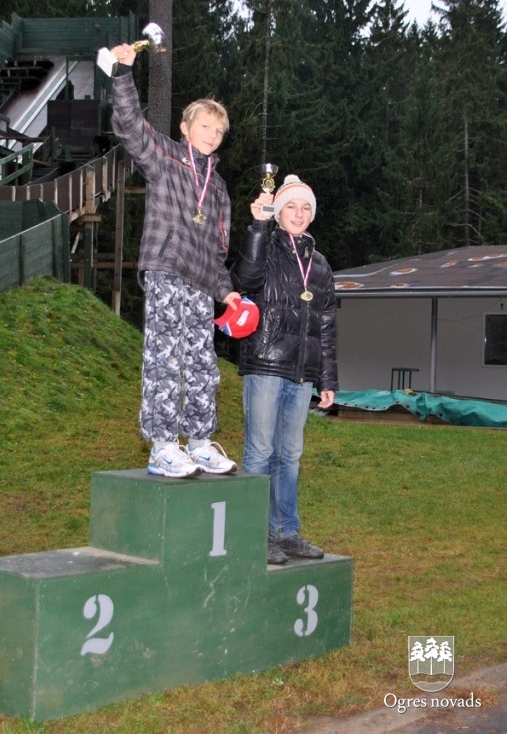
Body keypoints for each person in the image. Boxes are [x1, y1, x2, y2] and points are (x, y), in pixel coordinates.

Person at [109, 43, 241, 478]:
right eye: (205, 125)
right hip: (167, 271)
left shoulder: (219, 189)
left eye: (218, 131)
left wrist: (228, 292)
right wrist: (123, 73)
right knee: (165, 359)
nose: (211, 134)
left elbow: (219, 253)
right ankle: (163, 446)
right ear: (186, 128)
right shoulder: (164, 158)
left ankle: (199, 442)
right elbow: (130, 126)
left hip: (202, 284)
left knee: (202, 363)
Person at [230, 174, 338, 563]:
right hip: (264, 364)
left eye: (306, 207)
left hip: (302, 374)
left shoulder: (321, 264)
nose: (299, 213)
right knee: (260, 452)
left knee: (289, 455)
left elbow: (325, 326)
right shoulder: (265, 245)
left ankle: (285, 532)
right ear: (278, 212)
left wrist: (326, 379)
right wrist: (258, 227)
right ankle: (254, 535)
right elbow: (242, 280)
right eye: (291, 206)